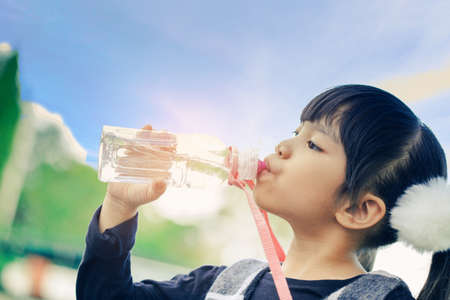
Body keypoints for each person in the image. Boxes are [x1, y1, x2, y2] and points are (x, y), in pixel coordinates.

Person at [76, 84, 449, 299]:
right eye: (295, 131)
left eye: (314, 144)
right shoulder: (225, 284)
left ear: (358, 209)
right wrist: (120, 206)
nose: (283, 146)